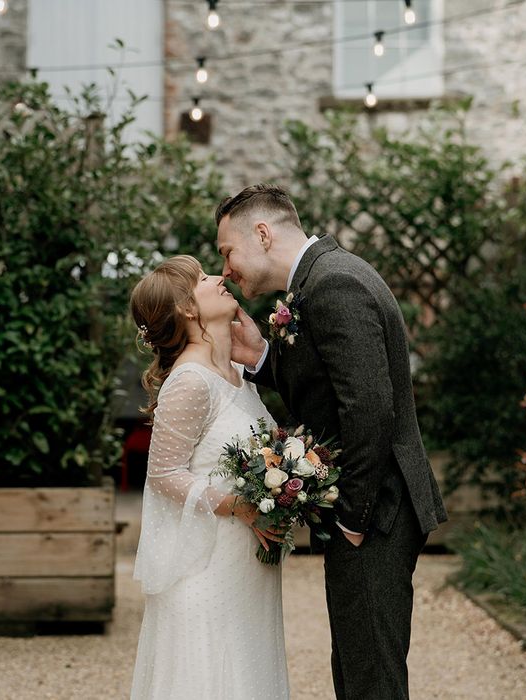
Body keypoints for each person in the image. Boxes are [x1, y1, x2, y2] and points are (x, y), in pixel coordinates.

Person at [216, 184, 448, 700]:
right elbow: (332, 388)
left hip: (376, 510)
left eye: (227, 252)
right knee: (357, 663)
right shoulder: (317, 281)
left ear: (262, 232)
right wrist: (262, 359)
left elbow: (368, 409)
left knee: (371, 678)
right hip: (372, 508)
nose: (227, 268)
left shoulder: (334, 284)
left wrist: (352, 519)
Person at [128, 255, 290, 700]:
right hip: (207, 564)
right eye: (202, 279)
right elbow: (163, 474)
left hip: (246, 564)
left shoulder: (237, 374)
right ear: (185, 308)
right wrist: (242, 507)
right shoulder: (190, 381)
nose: (219, 278)